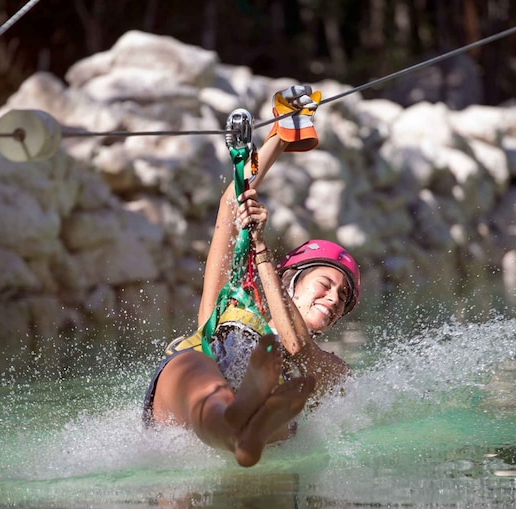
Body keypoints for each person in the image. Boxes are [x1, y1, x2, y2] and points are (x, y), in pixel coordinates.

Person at [142, 85, 361, 467]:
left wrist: (260, 249)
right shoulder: (233, 297)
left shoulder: (332, 367)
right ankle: (238, 419)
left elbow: (298, 348)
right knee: (203, 381)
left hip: (268, 392)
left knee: (290, 391)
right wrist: (280, 136)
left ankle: (248, 425)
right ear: (291, 278)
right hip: (190, 383)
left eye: (343, 299)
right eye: (325, 285)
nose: (333, 298)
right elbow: (231, 204)